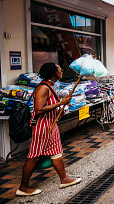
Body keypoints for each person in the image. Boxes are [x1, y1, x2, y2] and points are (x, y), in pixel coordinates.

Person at [18, 63, 81, 196]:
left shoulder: (51, 86)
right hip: (42, 126)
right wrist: (60, 103)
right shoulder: (43, 88)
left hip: (52, 125)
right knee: (34, 156)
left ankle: (64, 179)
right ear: (54, 73)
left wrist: (62, 104)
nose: (61, 71)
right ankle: (23, 187)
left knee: (56, 152)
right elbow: (38, 109)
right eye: (59, 70)